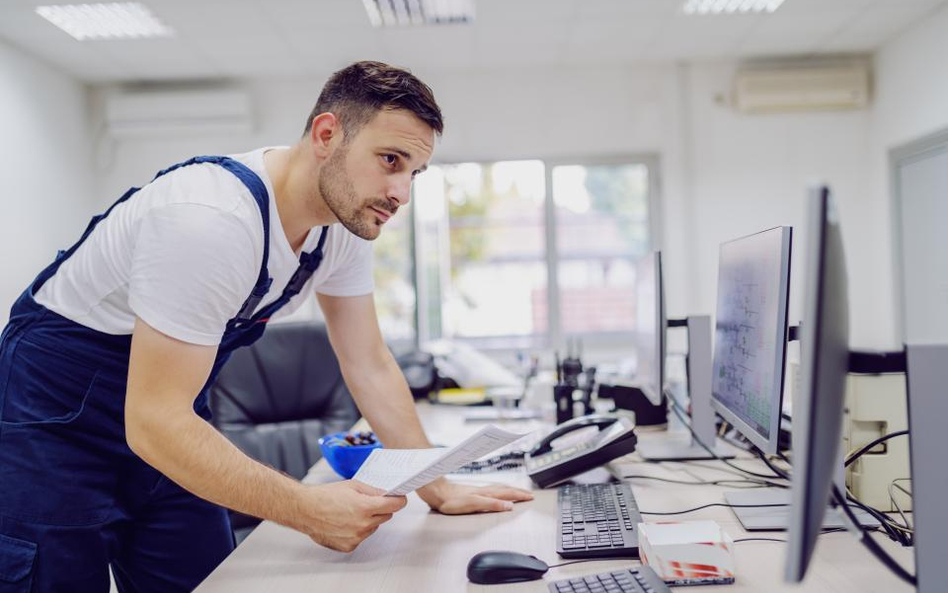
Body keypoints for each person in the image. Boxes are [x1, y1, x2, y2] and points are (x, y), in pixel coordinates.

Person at [0, 60, 533, 593]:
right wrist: (306, 509)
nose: (401, 193)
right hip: (56, 410)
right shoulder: (210, 219)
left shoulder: (341, 227)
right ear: (327, 135)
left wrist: (435, 487)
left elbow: (368, 362)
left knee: (210, 581)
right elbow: (153, 419)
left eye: (413, 172)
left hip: (170, 401)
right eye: (389, 160)